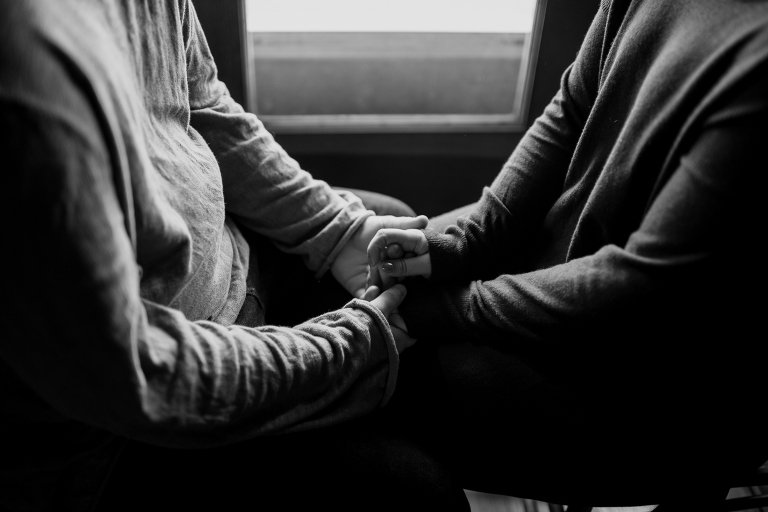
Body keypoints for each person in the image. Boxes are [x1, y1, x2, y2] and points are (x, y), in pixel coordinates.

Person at [0, 1, 446, 510]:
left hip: (233, 263)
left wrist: (335, 229)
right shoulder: (25, 85)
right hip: (118, 432)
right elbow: (143, 372)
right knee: (416, 492)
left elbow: (201, 104)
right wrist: (349, 346)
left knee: (399, 252)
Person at [367, 0, 768, 507]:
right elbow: (575, 106)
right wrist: (468, 244)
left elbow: (640, 285)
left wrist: (449, 308)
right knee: (346, 283)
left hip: (653, 382)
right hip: (564, 275)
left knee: (373, 381)